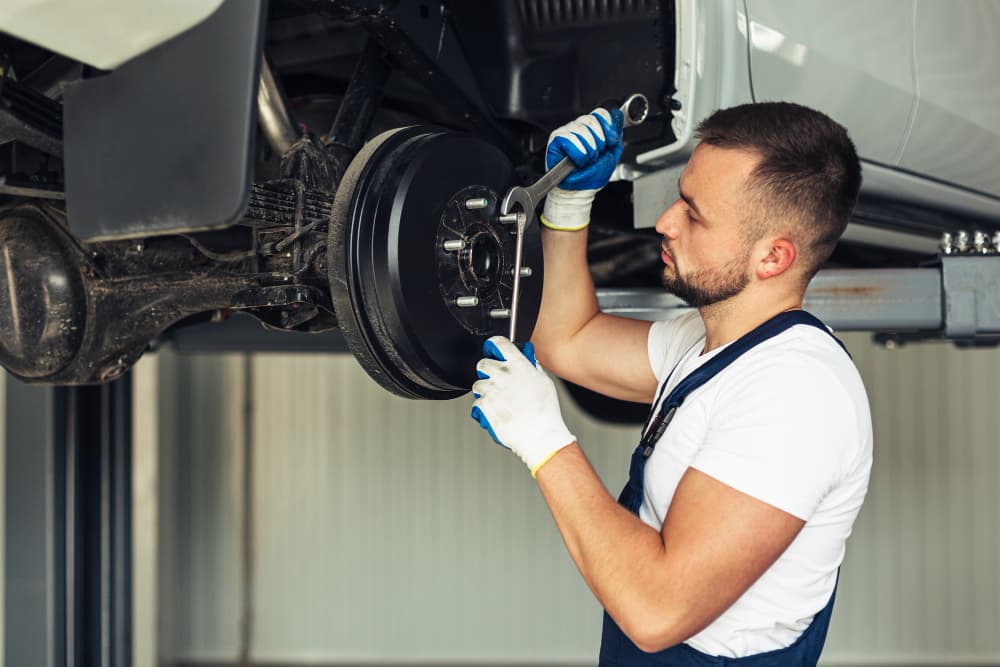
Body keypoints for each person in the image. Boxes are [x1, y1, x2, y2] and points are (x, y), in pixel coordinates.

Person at [470, 101, 873, 665]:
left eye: (695, 213)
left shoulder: (797, 396)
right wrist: (569, 205)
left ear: (773, 257)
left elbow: (657, 611)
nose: (665, 221)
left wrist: (544, 441)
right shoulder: (714, 340)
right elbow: (570, 341)